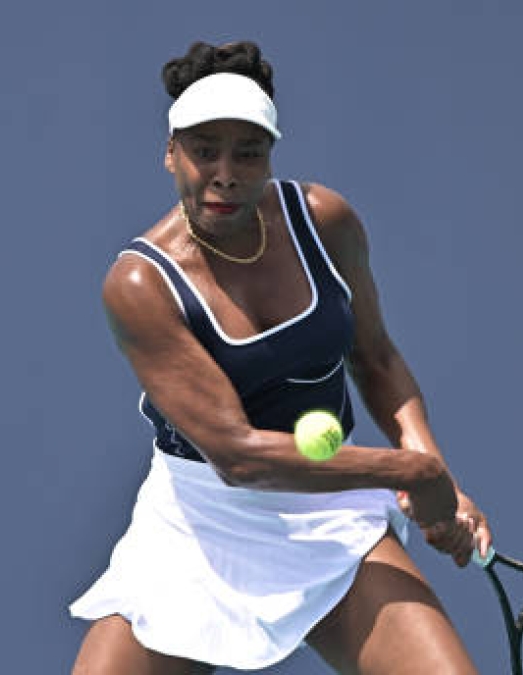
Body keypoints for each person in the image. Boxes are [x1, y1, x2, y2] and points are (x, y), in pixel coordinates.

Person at [70, 40, 492, 674]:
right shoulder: (140, 285)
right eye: (203, 149)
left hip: (329, 515)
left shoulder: (325, 221)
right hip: (197, 527)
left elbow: (375, 359)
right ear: (169, 153)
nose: (225, 172)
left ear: (271, 154)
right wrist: (408, 471)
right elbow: (238, 457)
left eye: (248, 152)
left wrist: (433, 465)